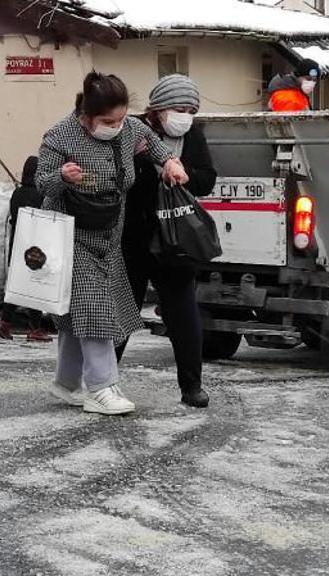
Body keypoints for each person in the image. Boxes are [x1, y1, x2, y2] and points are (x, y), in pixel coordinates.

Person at [36, 71, 188, 416]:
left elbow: (154, 145)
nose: (116, 126)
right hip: (70, 236)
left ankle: (66, 382)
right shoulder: (59, 136)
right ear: (86, 115)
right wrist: (62, 177)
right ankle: (101, 387)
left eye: (121, 118)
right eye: (107, 121)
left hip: (109, 235)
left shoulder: (131, 129)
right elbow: (41, 183)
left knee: (80, 312)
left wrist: (170, 163)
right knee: (96, 309)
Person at [117, 74, 217, 408]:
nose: (184, 115)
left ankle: (192, 386)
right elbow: (118, 173)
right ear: (157, 108)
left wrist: (185, 172)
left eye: (190, 109)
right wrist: (152, 167)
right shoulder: (131, 130)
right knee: (121, 311)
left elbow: (207, 179)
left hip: (176, 240)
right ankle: (104, 382)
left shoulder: (194, 136)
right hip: (133, 236)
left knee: (184, 315)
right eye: (178, 107)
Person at [0, 155, 54, 343]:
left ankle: (5, 323)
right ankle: (35, 329)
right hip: (36, 248)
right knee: (33, 286)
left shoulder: (17, 193)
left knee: (19, 286)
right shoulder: (41, 195)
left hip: (18, 245)